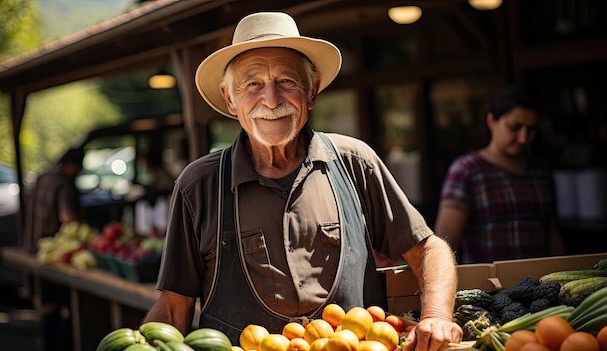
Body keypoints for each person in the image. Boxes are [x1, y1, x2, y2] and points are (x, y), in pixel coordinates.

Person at [143, 12, 462, 351]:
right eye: (252, 84)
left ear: (312, 92)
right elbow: (174, 305)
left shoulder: (355, 162)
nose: (271, 99)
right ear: (229, 99)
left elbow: (429, 248)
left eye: (287, 82)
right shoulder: (199, 185)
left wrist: (437, 317)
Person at [434, 84, 567, 264]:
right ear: (492, 121)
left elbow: (552, 233)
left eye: (531, 129)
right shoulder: (466, 170)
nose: (523, 138)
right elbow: (446, 244)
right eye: (515, 127)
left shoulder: (540, 169)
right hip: (488, 286)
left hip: (539, 286)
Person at [23, 146, 85, 351]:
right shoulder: (63, 185)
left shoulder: (41, 179)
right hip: (56, 258)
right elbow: (69, 220)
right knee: (68, 310)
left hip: (36, 253)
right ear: (72, 166)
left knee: (48, 307)